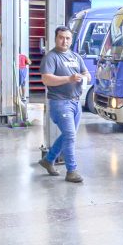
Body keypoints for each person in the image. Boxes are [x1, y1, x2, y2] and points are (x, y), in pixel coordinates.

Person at [37, 27, 90, 183]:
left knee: (68, 135)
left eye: (67, 38)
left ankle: (48, 160)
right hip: (60, 103)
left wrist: (85, 76)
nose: (64, 41)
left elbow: (87, 73)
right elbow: (46, 79)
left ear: (71, 40)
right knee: (71, 136)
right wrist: (69, 78)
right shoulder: (51, 57)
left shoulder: (76, 56)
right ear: (55, 38)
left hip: (76, 102)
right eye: (61, 37)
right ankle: (71, 171)